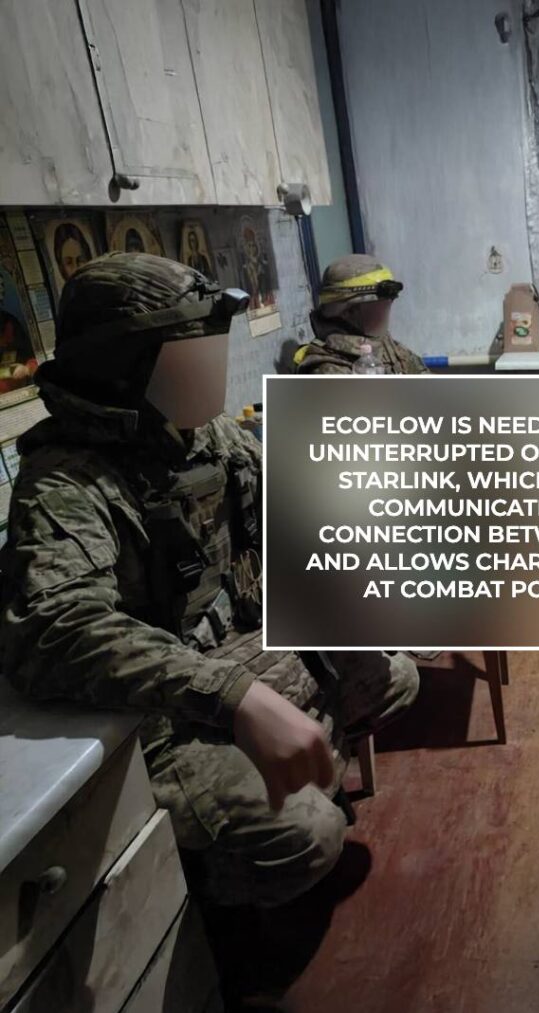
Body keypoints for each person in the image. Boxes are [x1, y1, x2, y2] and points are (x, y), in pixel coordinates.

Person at [0, 252, 419, 907]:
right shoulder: (66, 483)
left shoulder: (203, 436)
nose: (214, 368)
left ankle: (307, 768)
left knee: (389, 676)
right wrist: (237, 698)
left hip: (231, 650)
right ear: (127, 367)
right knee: (307, 837)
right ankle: (189, 900)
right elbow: (59, 628)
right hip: (156, 710)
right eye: (190, 351)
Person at [294, 254, 428, 374]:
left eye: (390, 301)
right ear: (348, 312)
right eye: (380, 304)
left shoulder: (384, 344)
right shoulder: (327, 370)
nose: (389, 306)